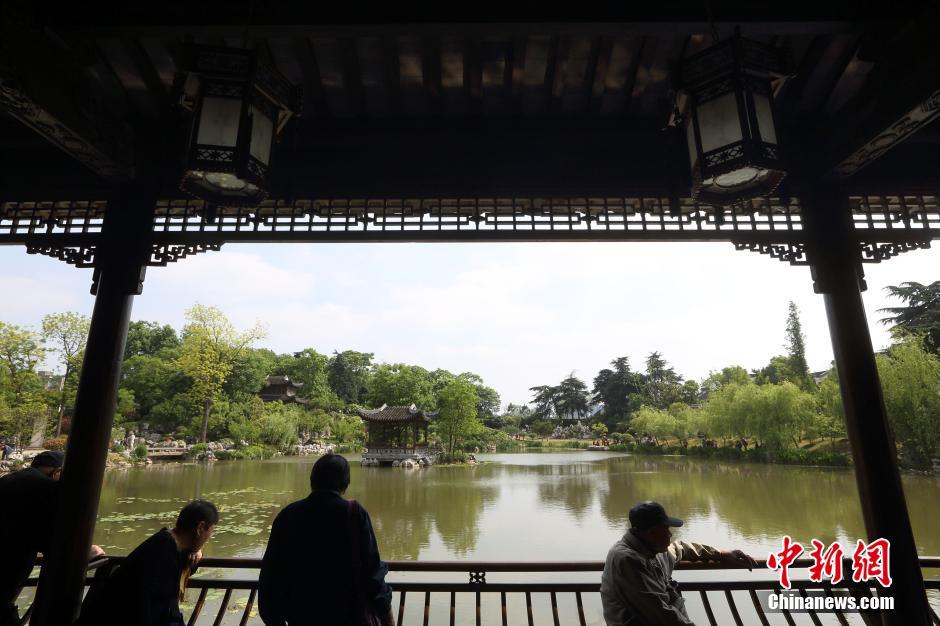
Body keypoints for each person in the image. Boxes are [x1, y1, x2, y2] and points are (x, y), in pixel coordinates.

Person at [259, 454, 394, 626]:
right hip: (348, 615)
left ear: (312, 479)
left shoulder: (288, 515)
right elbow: (372, 572)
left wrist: (274, 621)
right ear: (345, 483)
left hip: (302, 616)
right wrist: (386, 617)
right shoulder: (354, 513)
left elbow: (270, 574)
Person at [601, 501, 757, 626]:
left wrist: (720, 553)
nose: (670, 534)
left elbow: (679, 547)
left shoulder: (653, 549)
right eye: (666, 529)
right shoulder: (627, 560)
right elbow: (661, 614)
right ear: (652, 533)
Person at [0, 451, 105, 626]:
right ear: (57, 472)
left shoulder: (9, 480)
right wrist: (86, 551)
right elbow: (56, 542)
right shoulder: (46, 489)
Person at [76, 499, 218, 626]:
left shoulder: (170, 544)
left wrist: (198, 551)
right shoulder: (162, 551)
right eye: (211, 531)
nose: (209, 537)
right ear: (200, 528)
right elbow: (140, 602)